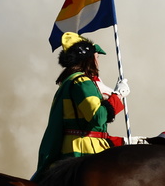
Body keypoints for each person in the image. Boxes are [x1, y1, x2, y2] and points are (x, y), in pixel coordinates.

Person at [33, 31, 129, 178]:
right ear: (88, 58)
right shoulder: (82, 81)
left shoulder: (69, 81)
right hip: (84, 150)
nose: (98, 62)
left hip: (74, 146)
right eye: (96, 57)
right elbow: (98, 117)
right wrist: (118, 95)